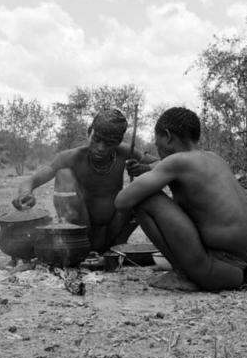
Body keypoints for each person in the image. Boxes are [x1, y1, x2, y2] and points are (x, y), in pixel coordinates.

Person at [114, 107, 247, 292]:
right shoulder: (214, 158)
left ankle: (182, 274)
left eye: (159, 145)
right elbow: (167, 165)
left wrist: (144, 178)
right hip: (246, 269)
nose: (160, 151)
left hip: (215, 271)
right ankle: (190, 270)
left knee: (143, 199)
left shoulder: (177, 162)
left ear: (168, 135)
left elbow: (122, 201)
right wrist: (148, 169)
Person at [12, 108, 158, 253]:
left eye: (109, 143)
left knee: (142, 193)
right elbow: (31, 181)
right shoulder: (72, 157)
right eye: (97, 139)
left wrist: (145, 168)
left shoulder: (124, 152)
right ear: (89, 132)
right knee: (64, 175)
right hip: (79, 234)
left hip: (114, 233)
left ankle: (114, 249)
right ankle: (78, 249)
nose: (101, 148)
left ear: (118, 142)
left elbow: (163, 164)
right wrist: (25, 194)